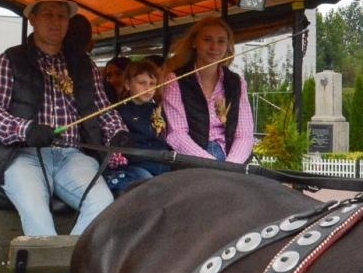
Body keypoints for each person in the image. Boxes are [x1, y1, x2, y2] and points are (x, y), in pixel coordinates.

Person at [0, 0, 128, 236]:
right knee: (37, 213)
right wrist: (26, 130)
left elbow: (104, 109)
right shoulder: (10, 59)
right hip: (21, 156)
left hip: (72, 156)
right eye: (48, 14)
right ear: (32, 19)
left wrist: (117, 131)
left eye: (61, 16)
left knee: (102, 204)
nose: (55, 21)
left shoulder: (84, 64)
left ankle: (65, 272)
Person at [159, 15, 255, 164]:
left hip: (230, 159)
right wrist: (212, 164)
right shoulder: (175, 80)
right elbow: (177, 135)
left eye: (221, 41)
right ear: (194, 43)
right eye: (207, 40)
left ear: (228, 46)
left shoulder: (237, 82)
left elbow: (244, 134)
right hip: (191, 159)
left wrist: (231, 165)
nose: (214, 47)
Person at [103, 59, 171, 194]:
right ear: (128, 84)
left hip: (161, 164)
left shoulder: (158, 110)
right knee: (147, 184)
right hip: (135, 166)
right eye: (142, 83)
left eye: (152, 84)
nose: (148, 88)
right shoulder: (118, 112)